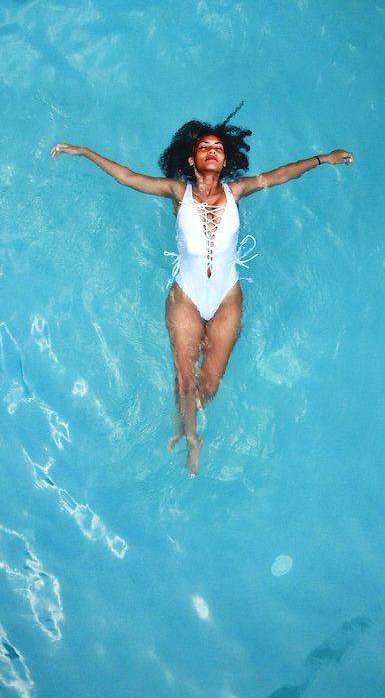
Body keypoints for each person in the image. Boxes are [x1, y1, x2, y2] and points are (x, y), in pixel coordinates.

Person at [51, 104, 353, 476]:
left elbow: (281, 175)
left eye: (218, 148)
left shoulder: (237, 191)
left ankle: (189, 417)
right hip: (187, 298)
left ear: (224, 162)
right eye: (204, 147)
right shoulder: (178, 193)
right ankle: (191, 438)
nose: (212, 150)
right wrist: (83, 151)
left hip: (226, 296)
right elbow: (126, 177)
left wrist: (323, 159)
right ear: (193, 161)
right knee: (183, 376)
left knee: (208, 382)